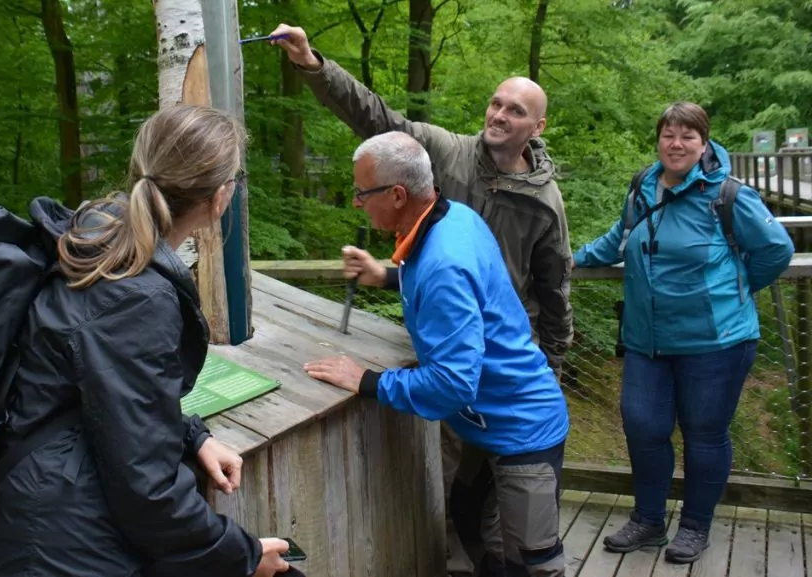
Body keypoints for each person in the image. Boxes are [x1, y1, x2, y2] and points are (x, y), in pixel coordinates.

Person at [0, 104, 292, 577]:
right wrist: (242, 555)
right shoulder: (135, 297)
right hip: (66, 547)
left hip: (48, 513)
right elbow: (147, 489)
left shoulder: (98, 242)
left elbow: (106, 392)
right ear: (220, 197)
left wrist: (192, 434)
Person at [304, 131, 569, 577]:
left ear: (397, 194)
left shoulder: (445, 260)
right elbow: (455, 286)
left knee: (535, 562)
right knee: (468, 519)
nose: (355, 203)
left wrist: (367, 381)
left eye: (361, 193)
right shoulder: (452, 218)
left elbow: (452, 382)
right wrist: (385, 276)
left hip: (522, 430)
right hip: (488, 427)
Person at [269, 23, 573, 377]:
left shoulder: (544, 200)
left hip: (501, 353)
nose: (500, 116)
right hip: (438, 339)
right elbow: (376, 119)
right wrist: (312, 64)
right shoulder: (446, 153)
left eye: (516, 111)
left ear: (538, 127)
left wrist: (551, 369)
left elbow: (554, 289)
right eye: (496, 104)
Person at [573, 102, 794, 564]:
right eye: (668, 134)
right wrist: (572, 258)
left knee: (704, 434)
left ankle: (695, 527)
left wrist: (737, 289)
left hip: (715, 343)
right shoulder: (642, 186)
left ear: (704, 143)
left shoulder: (728, 196)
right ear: (658, 140)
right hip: (645, 341)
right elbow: (620, 237)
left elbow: (776, 250)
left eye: (687, 136)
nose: (676, 144)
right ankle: (648, 521)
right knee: (643, 427)